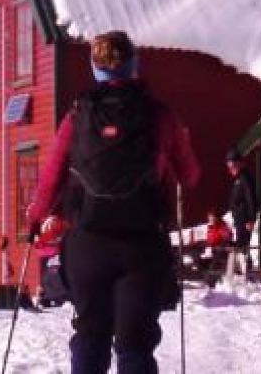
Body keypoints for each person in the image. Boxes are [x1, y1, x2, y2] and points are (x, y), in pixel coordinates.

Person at [28, 31, 199, 374]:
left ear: (95, 68)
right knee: (134, 342)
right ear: (134, 64)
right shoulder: (159, 116)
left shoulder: (78, 117)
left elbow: (51, 177)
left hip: (88, 244)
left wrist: (34, 219)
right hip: (142, 244)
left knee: (91, 334)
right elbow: (190, 175)